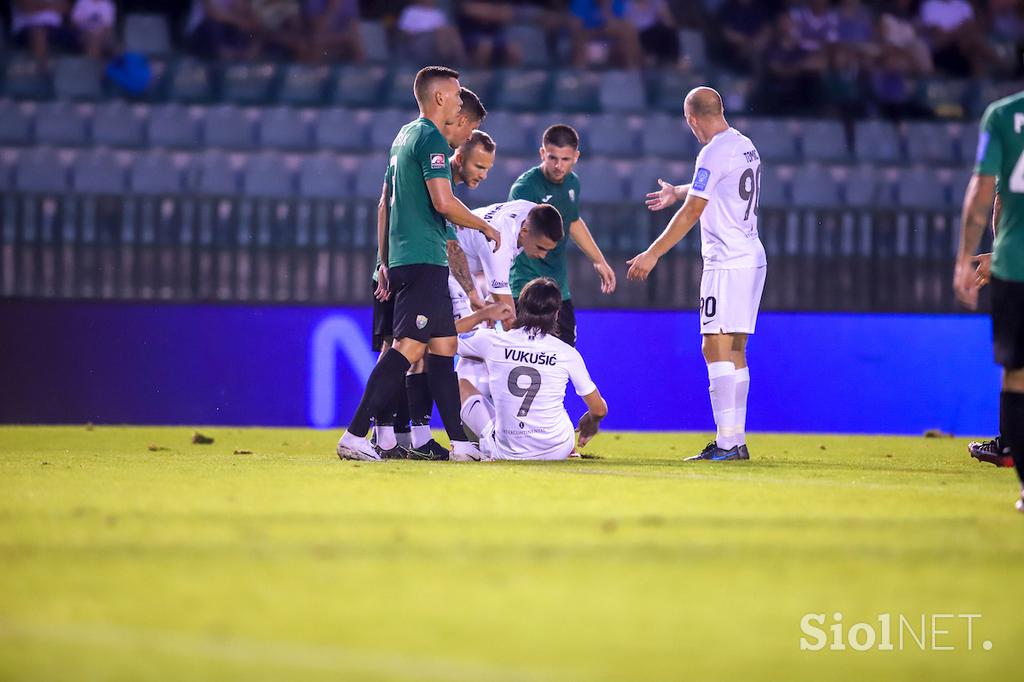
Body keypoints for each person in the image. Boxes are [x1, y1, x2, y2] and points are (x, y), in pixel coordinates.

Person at [337, 66, 500, 463]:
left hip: (404, 259)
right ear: (441, 97)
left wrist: (382, 260)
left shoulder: (402, 136)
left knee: (444, 346)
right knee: (406, 348)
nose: (461, 102)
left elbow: (383, 203)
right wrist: (484, 225)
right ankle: (356, 434)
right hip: (423, 259)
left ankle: (460, 445)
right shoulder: (430, 139)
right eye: (458, 95)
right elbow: (443, 203)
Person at [627, 87, 766, 462]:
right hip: (751, 255)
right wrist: (679, 190)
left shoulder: (712, 151)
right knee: (735, 348)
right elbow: (720, 185)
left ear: (691, 120)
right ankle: (735, 441)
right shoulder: (743, 144)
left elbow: (693, 212)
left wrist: (653, 253)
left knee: (713, 346)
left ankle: (726, 443)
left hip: (726, 261)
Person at [954, 91, 1024, 511]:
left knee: (1017, 376)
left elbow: (985, 194)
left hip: (1016, 267)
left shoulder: (1002, 115)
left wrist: (967, 256)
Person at [457, 277, 608, 461]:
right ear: (557, 314)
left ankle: (469, 444)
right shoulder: (566, 352)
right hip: (557, 449)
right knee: (558, 410)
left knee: (461, 382)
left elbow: (441, 338)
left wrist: (482, 314)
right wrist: (590, 422)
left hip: (507, 452)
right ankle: (571, 450)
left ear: (519, 308)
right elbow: (599, 409)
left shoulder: (493, 341)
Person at [508, 124, 617, 348]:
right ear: (542, 154)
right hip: (525, 284)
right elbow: (513, 238)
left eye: (565, 159)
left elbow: (573, 222)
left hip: (558, 287)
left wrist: (599, 260)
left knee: (565, 351)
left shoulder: (573, 183)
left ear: (576, 156)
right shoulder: (525, 189)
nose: (558, 166)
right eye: (552, 158)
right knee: (525, 353)